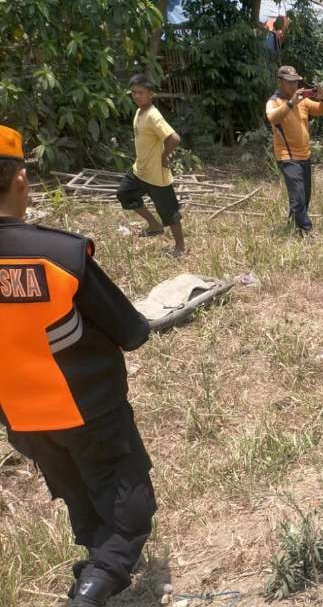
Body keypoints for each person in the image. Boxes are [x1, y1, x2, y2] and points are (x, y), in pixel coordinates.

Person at [0, 125, 156, 607]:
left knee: (83, 500)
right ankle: (90, 590)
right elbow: (130, 330)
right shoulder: (61, 253)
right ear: (21, 179)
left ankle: (95, 570)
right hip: (89, 408)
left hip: (21, 419)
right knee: (131, 510)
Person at [116, 74, 186, 257]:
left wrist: (163, 157)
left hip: (156, 174)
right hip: (140, 170)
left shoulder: (153, 115)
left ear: (151, 94)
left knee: (169, 212)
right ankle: (154, 226)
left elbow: (174, 138)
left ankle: (180, 247)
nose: (137, 96)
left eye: (141, 92)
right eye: (134, 93)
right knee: (124, 193)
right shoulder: (140, 112)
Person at [266, 65, 323, 235]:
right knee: (298, 196)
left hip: (305, 156)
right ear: (280, 82)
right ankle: (306, 230)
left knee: (304, 196)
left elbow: (321, 110)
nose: (294, 86)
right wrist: (292, 102)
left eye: (296, 82)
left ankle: (294, 225)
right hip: (287, 157)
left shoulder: (302, 100)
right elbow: (272, 117)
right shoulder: (274, 101)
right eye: (289, 82)